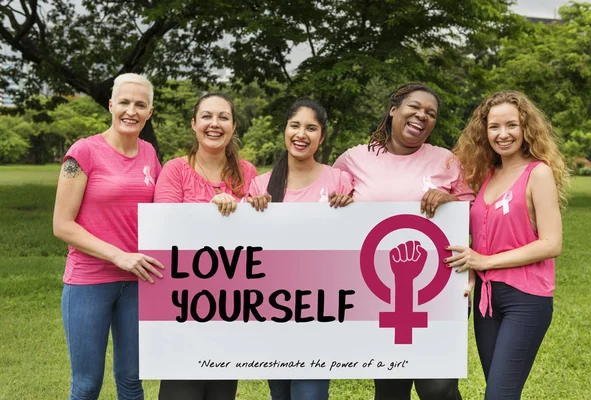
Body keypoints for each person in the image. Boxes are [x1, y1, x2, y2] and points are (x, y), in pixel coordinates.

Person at [333, 82, 474, 400]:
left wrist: (450, 200)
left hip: (439, 288)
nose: (422, 115)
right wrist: (338, 203)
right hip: (378, 292)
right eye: (415, 106)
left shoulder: (446, 161)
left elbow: (473, 216)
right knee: (390, 389)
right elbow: (328, 202)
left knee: (438, 387)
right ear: (393, 109)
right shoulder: (355, 158)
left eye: (431, 113)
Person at [447, 90, 568, 400]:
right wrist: (472, 271)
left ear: (525, 127)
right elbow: (482, 238)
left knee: (498, 395)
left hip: (526, 299)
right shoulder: (488, 174)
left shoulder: (537, 173)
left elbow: (551, 243)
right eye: (494, 127)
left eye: (511, 125)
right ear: (484, 130)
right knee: (501, 392)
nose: (503, 134)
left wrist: (485, 262)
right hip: (487, 301)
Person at [53, 73, 164, 400]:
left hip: (139, 282)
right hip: (89, 282)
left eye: (140, 105)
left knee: (132, 383)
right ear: (111, 105)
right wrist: (118, 255)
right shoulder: (84, 151)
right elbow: (62, 224)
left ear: (150, 112)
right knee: (87, 385)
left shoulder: (150, 155)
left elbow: (165, 209)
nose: (132, 111)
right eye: (125, 102)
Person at [248, 99, 354, 400]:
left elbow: (354, 239)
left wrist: (351, 209)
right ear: (285, 130)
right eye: (295, 125)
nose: (301, 134)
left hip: (321, 312)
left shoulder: (340, 181)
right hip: (271, 310)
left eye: (311, 128)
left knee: (310, 394)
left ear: (321, 136)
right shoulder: (260, 186)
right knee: (279, 394)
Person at [154, 93, 257, 399]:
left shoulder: (248, 172)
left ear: (234, 125)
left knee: (222, 391)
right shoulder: (175, 169)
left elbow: (258, 235)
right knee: (180, 389)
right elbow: (163, 228)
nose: (215, 124)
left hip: (231, 301)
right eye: (207, 116)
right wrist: (208, 212)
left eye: (223, 117)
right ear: (194, 123)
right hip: (182, 301)